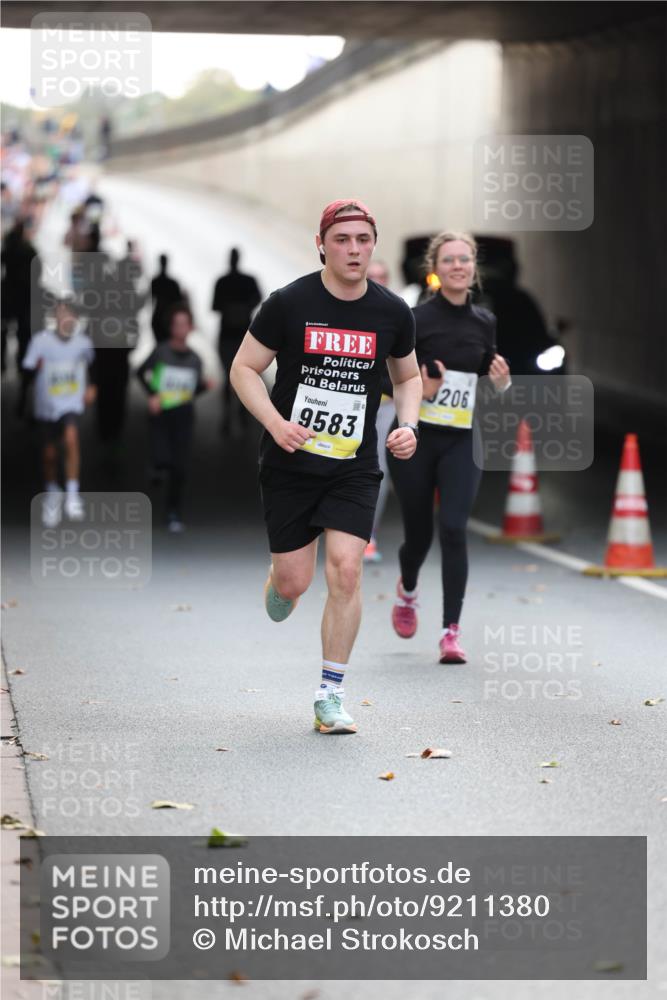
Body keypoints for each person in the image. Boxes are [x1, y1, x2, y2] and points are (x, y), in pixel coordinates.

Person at [231, 200, 422, 735]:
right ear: (322, 244)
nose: (354, 249)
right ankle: (280, 582)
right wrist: (275, 423)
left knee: (346, 568)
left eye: (363, 239)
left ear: (373, 244)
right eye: (342, 240)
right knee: (295, 582)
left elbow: (406, 378)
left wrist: (407, 425)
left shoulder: (391, 312)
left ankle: (330, 695)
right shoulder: (288, 303)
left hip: (353, 464)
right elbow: (244, 369)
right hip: (291, 461)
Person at [388, 232, 511, 664]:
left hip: (462, 439)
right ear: (435, 269)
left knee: (454, 528)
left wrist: (501, 383)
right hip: (417, 437)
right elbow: (389, 380)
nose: (458, 266)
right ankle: (407, 588)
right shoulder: (415, 318)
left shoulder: (484, 321)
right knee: (419, 535)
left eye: (465, 259)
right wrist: (424, 388)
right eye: (449, 260)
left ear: (474, 267)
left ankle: (450, 633)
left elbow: (485, 375)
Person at [136, 302, 214, 532]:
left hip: (183, 415)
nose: (180, 328)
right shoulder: (161, 351)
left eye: (184, 324)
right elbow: (140, 372)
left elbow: (192, 390)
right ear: (171, 327)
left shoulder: (195, 359)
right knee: (163, 458)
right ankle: (156, 468)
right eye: (176, 324)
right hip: (161, 414)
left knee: (180, 468)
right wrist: (152, 395)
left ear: (190, 328)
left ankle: (173, 512)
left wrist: (204, 388)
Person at [22, 297, 96, 527]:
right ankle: (52, 491)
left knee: (71, 438)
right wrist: (36, 369)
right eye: (61, 314)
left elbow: (92, 366)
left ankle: (73, 493)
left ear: (75, 318)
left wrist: (92, 387)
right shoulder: (40, 342)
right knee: (50, 454)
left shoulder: (83, 343)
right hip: (47, 404)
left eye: (70, 315)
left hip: (70, 403)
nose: (65, 319)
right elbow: (27, 369)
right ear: (55, 317)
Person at [363, 259, 395, 563]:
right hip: (348, 405)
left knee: (379, 471)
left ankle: (367, 534)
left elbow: (408, 367)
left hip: (385, 405)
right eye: (371, 277)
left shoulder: (397, 316)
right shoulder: (345, 310)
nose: (377, 281)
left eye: (382, 277)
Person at [211, 248, 261, 434]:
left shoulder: (222, 282)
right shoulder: (248, 281)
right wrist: (243, 308)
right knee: (245, 375)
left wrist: (229, 308)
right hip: (244, 335)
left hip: (228, 334)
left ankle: (228, 415)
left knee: (228, 376)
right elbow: (258, 299)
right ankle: (242, 412)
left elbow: (214, 306)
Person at [150, 254, 183, 344]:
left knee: (163, 347)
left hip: (163, 319)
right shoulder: (171, 283)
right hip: (166, 319)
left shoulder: (156, 282)